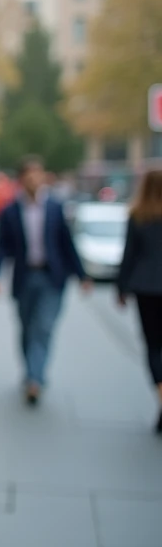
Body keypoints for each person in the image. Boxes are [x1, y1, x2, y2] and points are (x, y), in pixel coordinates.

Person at [0, 155, 90, 406]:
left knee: (44, 327)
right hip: (25, 277)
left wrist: (82, 275)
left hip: (51, 276)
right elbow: (2, 247)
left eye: (38, 174)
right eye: (29, 175)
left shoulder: (56, 207)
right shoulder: (11, 210)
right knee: (26, 328)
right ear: (22, 179)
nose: (34, 179)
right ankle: (30, 370)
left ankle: (36, 378)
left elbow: (67, 244)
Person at [115, 169, 162, 434]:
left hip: (146, 288)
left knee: (153, 346)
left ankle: (160, 391)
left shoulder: (138, 215)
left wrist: (121, 288)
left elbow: (129, 255)